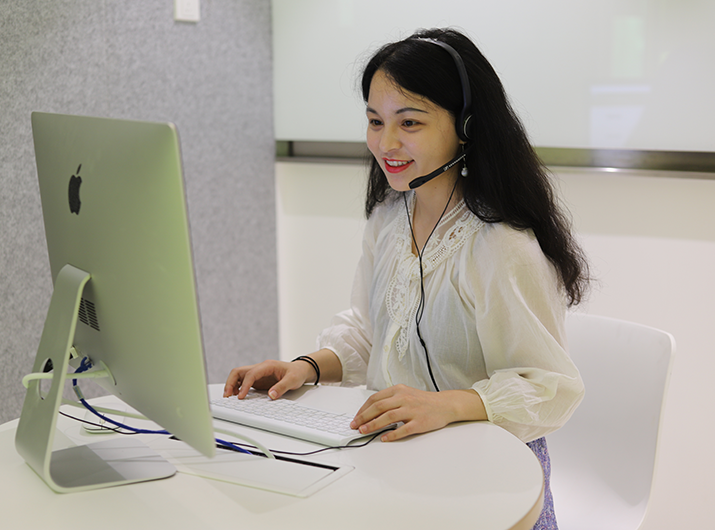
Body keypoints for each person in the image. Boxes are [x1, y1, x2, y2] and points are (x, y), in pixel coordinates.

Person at [224, 27, 587, 530]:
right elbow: (370, 331)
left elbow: (550, 387)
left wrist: (446, 406)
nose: (386, 143)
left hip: (490, 475)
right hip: (399, 458)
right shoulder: (389, 219)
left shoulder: (502, 246)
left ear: (466, 126)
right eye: (375, 121)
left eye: (409, 122)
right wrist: (305, 367)